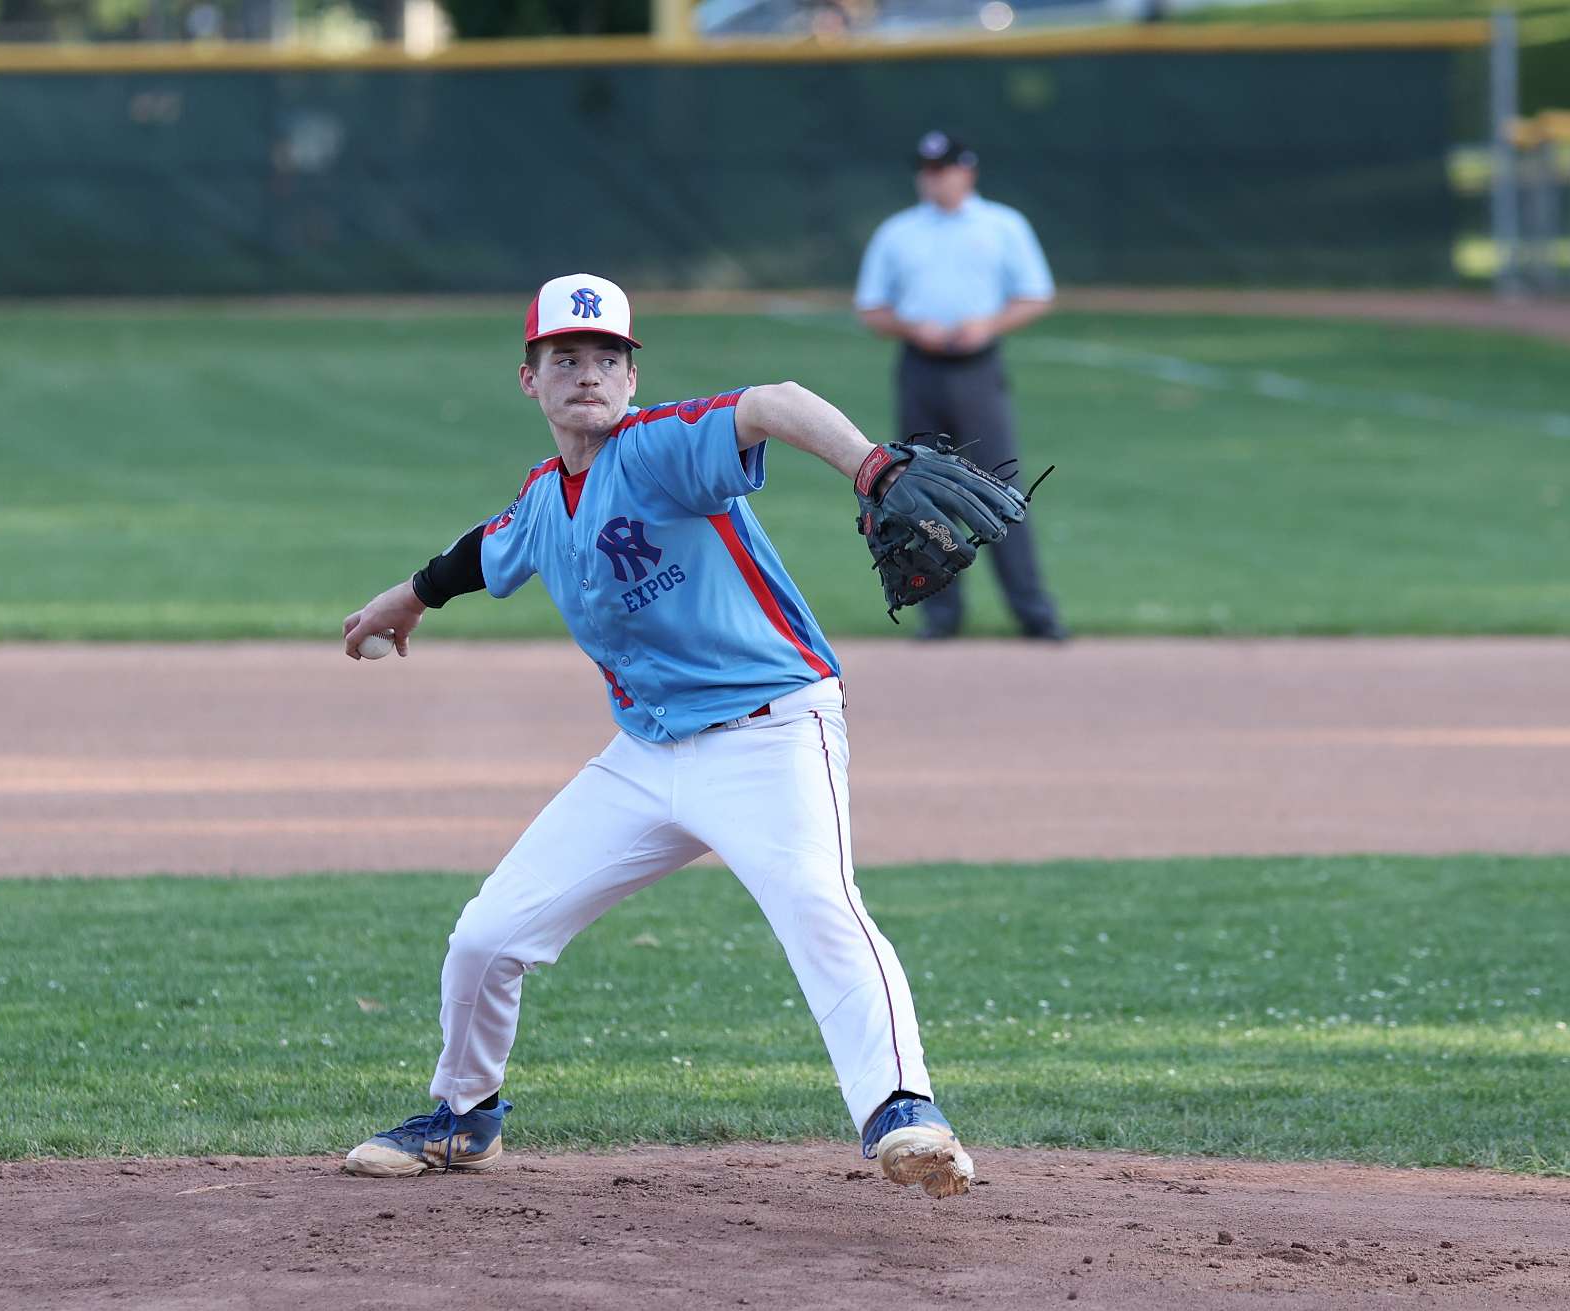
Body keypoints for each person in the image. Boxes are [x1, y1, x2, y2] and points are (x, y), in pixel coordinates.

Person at [335, 273, 974, 1199]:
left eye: (607, 358)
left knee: (817, 902)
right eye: (565, 359)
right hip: (644, 755)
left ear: (632, 378)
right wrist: (410, 595)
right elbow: (489, 547)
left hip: (770, 732)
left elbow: (774, 403)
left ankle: (904, 1110)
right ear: (530, 380)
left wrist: (869, 467)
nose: (588, 374)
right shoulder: (546, 498)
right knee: (487, 937)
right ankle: (464, 1118)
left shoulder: (662, 447)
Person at [855, 131, 1067, 642]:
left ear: (967, 171)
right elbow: (872, 308)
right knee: (919, 488)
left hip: (978, 369)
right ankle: (939, 613)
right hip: (920, 368)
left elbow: (1036, 295)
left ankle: (1033, 610)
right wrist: (912, 327)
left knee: (1000, 487)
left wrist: (987, 325)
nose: (934, 179)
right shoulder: (898, 232)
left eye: (944, 169)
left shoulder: (1002, 225)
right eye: (927, 171)